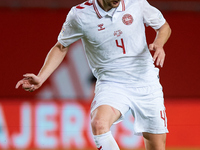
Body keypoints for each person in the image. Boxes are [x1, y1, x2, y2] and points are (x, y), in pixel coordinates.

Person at [16, 0, 171, 149]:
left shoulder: (137, 3)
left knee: (157, 146)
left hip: (145, 81)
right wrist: (41, 77)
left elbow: (164, 27)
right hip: (111, 83)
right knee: (98, 124)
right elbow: (61, 46)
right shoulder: (79, 15)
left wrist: (159, 43)